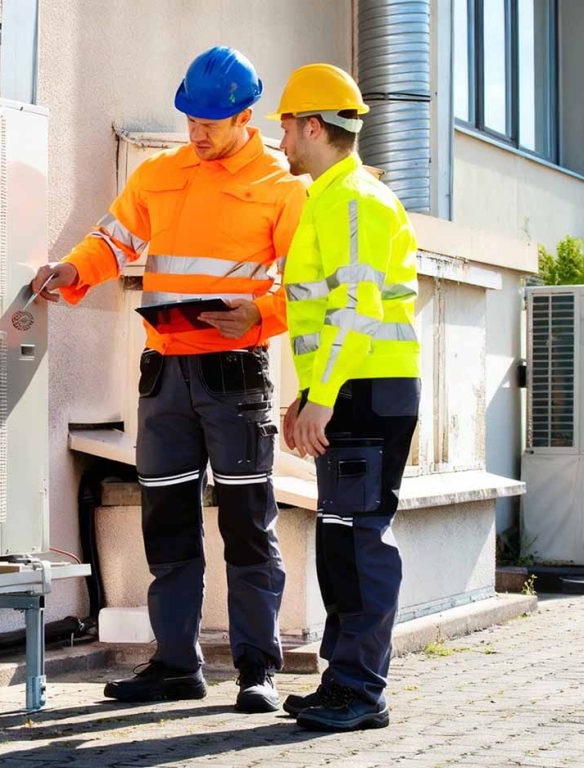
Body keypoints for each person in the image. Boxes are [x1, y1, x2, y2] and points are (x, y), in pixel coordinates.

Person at [32, 46, 306, 712]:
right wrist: (73, 272)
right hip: (165, 379)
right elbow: (114, 240)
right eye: (191, 118)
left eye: (212, 121)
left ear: (247, 116)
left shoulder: (283, 186)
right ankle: (177, 665)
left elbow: (308, 292)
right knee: (168, 525)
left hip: (234, 378)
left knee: (247, 525)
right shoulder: (160, 175)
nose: (198, 132)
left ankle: (256, 670)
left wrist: (259, 314)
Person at [268, 63, 421, 731]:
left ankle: (362, 691)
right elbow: (326, 315)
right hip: (350, 390)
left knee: (359, 540)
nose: (280, 140)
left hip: (367, 393)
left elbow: (356, 311)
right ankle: (344, 683)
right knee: (341, 538)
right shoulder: (332, 198)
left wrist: (322, 398)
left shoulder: (354, 198)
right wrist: (310, 395)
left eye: (285, 126)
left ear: (312, 125)